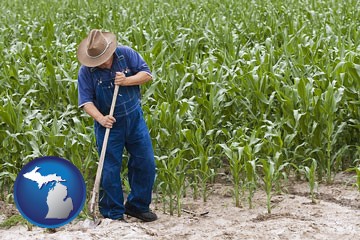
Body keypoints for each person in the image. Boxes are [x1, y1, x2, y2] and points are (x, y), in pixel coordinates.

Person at [76, 29, 157, 222]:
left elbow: (147, 75)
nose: (102, 63)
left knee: (145, 162)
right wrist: (101, 118)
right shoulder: (86, 72)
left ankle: (137, 206)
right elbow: (85, 101)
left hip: (134, 119)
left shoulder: (126, 54)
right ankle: (113, 212)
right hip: (109, 125)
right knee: (110, 169)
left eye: (103, 58)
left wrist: (127, 80)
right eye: (97, 60)